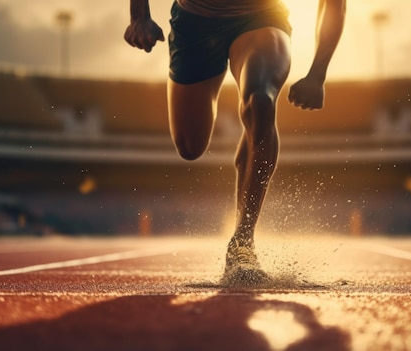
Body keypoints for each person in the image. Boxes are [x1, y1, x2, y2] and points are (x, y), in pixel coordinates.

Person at [125, 0, 345, 283]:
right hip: (195, 21)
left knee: (261, 102)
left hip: (263, 18)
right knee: (190, 147)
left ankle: (243, 241)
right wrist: (139, 15)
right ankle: (254, 138)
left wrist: (318, 73)